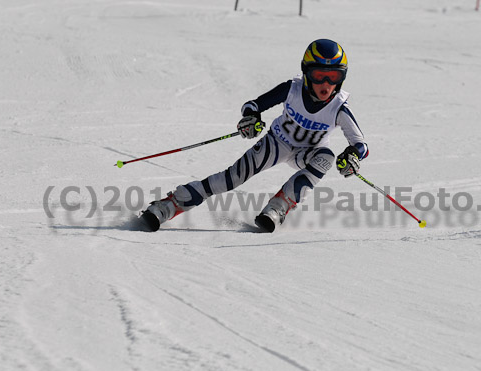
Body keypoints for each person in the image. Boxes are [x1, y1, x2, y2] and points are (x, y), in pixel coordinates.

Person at [140, 38, 369, 232]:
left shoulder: (339, 108)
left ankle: (279, 207)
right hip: (278, 142)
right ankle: (168, 205)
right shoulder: (292, 89)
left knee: (326, 157)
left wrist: (352, 155)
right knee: (231, 178)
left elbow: (361, 145)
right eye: (319, 75)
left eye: (334, 77)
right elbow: (253, 105)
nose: (326, 84)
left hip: (308, 153)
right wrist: (251, 118)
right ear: (306, 73)